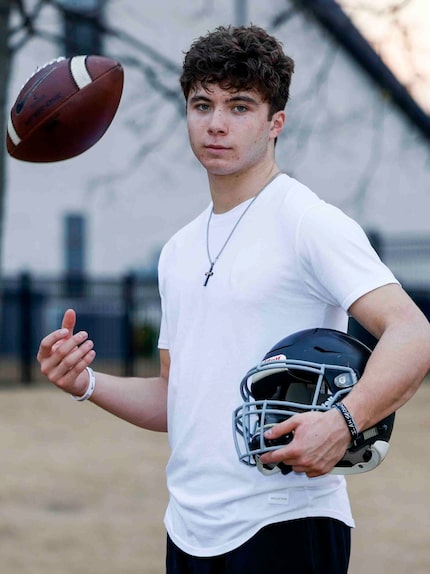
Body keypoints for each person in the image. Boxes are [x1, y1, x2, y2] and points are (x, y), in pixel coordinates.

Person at [37, 25, 430, 574]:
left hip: (286, 523)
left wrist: (343, 421)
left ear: (276, 124)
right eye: (203, 104)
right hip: (190, 528)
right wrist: (88, 384)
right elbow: (178, 399)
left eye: (240, 106)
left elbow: (414, 334)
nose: (216, 123)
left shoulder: (307, 222)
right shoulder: (176, 251)